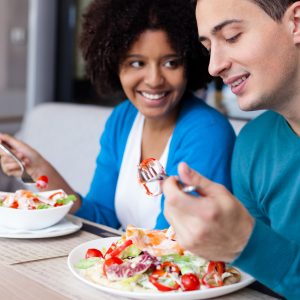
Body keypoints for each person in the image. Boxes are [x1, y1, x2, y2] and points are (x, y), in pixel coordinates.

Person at [0, 0, 235, 231]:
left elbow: (175, 242)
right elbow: (101, 218)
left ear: (190, 64)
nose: (154, 80)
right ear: (114, 64)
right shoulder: (123, 119)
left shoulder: (207, 132)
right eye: (136, 63)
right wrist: (40, 168)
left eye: (171, 63)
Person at [163, 0, 300, 298]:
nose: (214, 66)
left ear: (297, 22)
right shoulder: (253, 144)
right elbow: (264, 287)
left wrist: (246, 244)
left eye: (232, 36)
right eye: (208, 46)